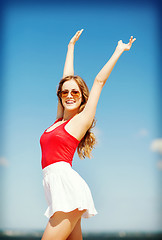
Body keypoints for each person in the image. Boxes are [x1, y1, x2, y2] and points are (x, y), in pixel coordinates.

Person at [40, 29, 136, 240]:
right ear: (60, 96)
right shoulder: (58, 121)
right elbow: (66, 78)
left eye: (75, 92)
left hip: (67, 189)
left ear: (83, 97)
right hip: (56, 189)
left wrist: (119, 50)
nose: (69, 95)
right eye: (65, 92)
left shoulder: (79, 122)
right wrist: (70, 47)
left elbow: (99, 81)